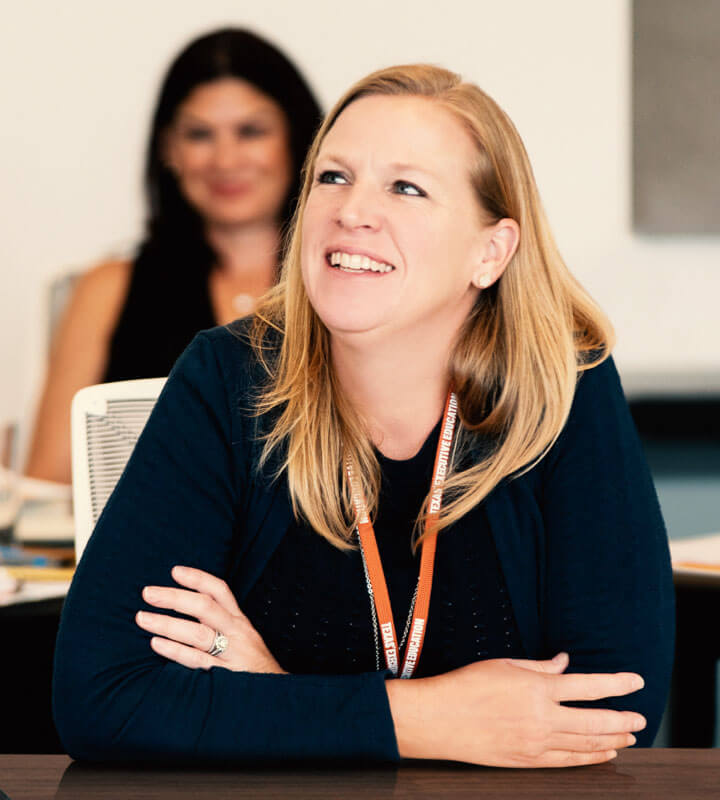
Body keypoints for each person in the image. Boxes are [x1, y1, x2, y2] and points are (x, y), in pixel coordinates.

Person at [53, 64, 674, 767]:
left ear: (490, 251)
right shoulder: (227, 377)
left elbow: (612, 711)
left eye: (406, 187)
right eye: (333, 177)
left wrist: (276, 696)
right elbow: (102, 697)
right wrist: (427, 720)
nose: (352, 211)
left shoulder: (565, 386)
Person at [24, 28, 321, 484]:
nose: (225, 159)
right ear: (169, 149)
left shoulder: (344, 283)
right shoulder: (108, 289)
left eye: (251, 131)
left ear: (297, 138)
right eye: (200, 134)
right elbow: (47, 485)